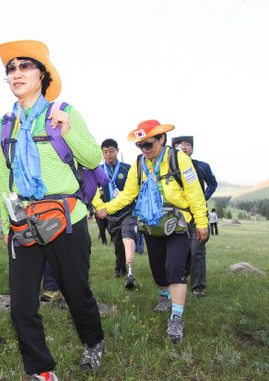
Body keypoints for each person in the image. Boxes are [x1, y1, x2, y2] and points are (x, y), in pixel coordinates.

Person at [0, 40, 105, 380]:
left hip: (67, 220)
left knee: (76, 292)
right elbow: (4, 180)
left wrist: (67, 132)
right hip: (24, 222)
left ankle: (94, 342)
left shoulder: (65, 113)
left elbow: (93, 158)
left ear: (44, 74)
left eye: (25, 66)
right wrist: (5, 223)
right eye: (11, 69)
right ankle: (41, 371)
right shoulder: (5, 125)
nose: (17, 73)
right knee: (22, 305)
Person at [96, 120, 208, 344]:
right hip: (150, 224)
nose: (144, 149)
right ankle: (164, 296)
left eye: (148, 144)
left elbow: (195, 193)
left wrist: (202, 221)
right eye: (140, 145)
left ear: (162, 139)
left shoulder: (179, 159)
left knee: (174, 266)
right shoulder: (139, 164)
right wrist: (106, 207)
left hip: (177, 222)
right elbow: (128, 194)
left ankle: (176, 318)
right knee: (157, 268)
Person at [172, 136, 217, 298]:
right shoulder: (169, 168)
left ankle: (198, 287)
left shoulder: (202, 166)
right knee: (180, 249)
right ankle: (180, 279)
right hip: (177, 215)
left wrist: (203, 197)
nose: (183, 148)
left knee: (197, 249)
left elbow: (213, 183)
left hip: (197, 213)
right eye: (178, 145)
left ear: (192, 148)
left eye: (187, 145)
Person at [92, 139, 138, 288]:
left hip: (127, 211)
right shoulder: (98, 170)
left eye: (111, 151)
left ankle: (129, 270)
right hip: (110, 213)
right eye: (105, 152)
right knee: (117, 243)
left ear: (117, 151)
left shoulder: (127, 168)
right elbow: (93, 190)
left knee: (127, 236)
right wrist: (97, 208)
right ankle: (120, 269)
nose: (108, 154)